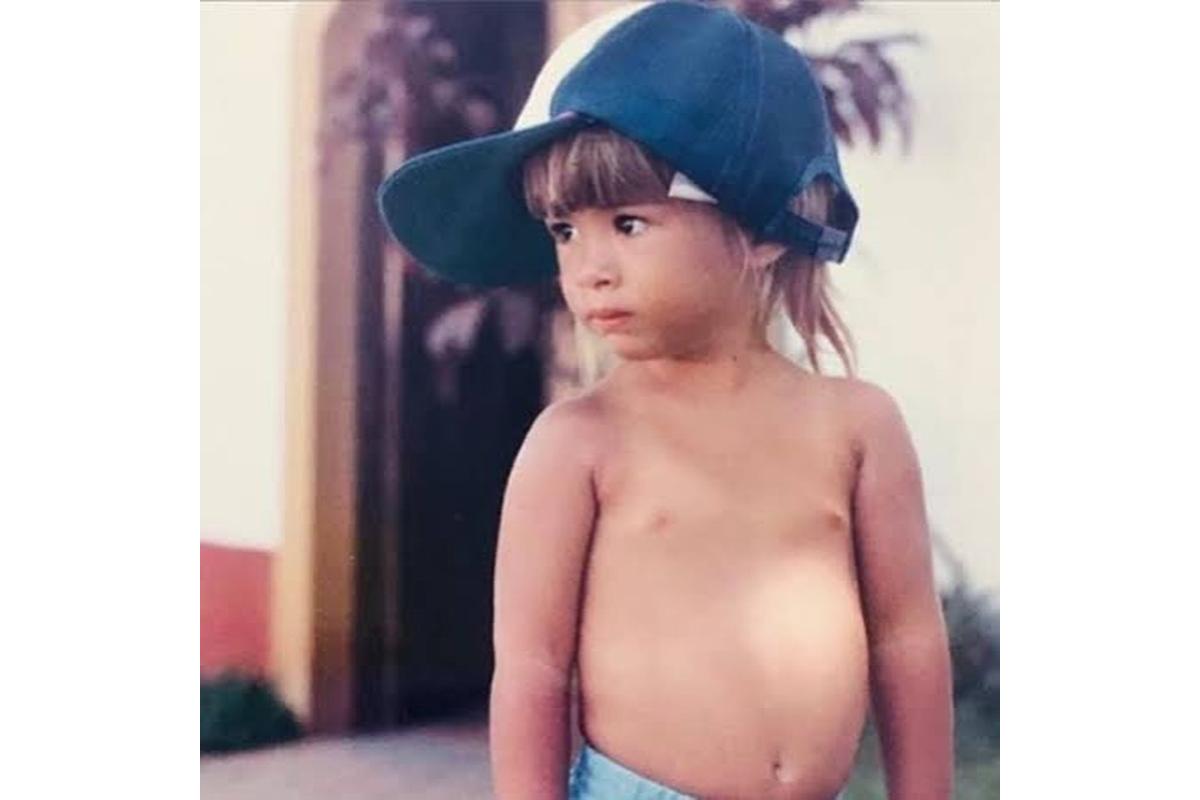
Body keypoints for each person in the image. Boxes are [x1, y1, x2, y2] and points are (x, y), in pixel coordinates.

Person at [376, 2, 954, 798]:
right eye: (564, 231)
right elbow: (533, 671)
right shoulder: (579, 442)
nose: (589, 268)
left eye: (628, 223)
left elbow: (906, 639)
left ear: (762, 228)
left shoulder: (857, 425)